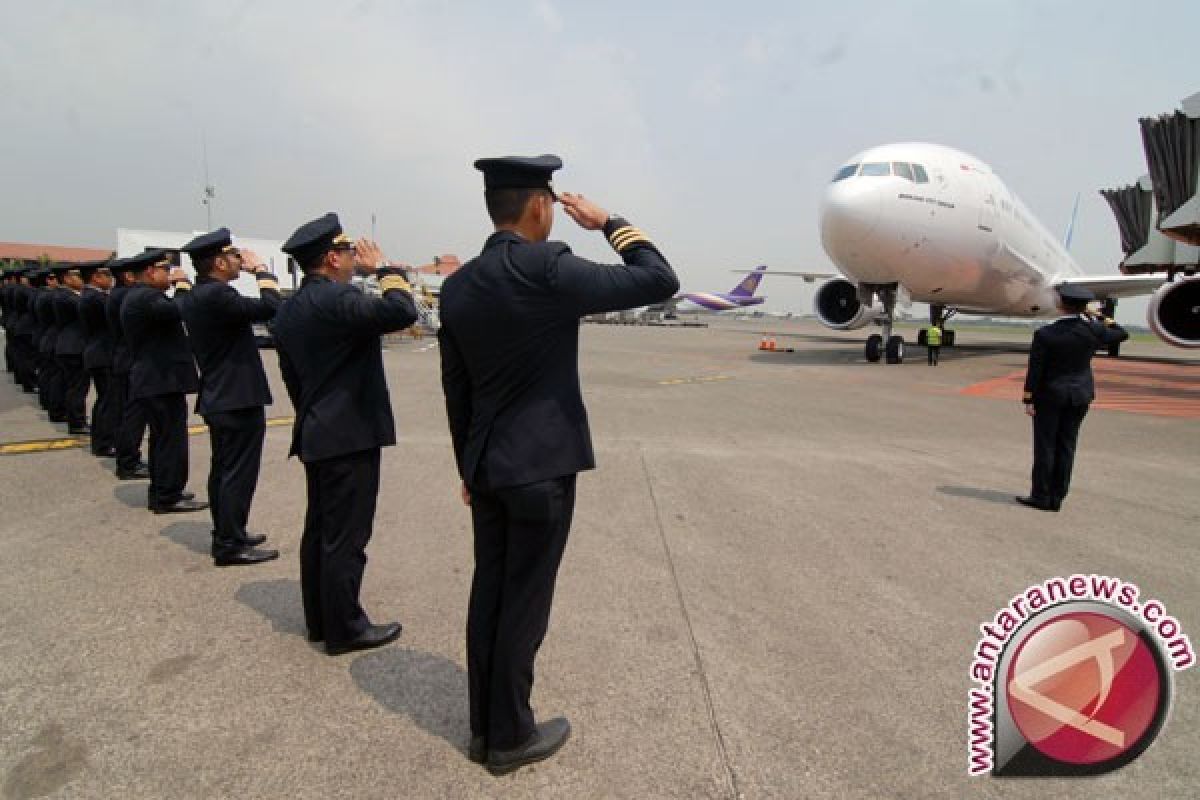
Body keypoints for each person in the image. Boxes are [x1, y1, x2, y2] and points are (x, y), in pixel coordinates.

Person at [438, 155, 679, 774]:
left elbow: (456, 388)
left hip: (488, 466)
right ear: (541, 205)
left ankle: (483, 728)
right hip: (541, 468)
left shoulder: (458, 287)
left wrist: (469, 466)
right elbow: (657, 278)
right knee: (525, 603)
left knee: (489, 593)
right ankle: (511, 736)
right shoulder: (548, 266)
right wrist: (609, 222)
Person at [272, 213, 417, 655]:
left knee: (319, 531)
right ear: (332, 258)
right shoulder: (335, 300)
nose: (356, 259)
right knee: (346, 538)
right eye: (350, 253)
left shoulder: (290, 309)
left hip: (318, 430)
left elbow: (293, 379)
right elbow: (401, 311)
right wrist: (386, 271)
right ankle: (345, 628)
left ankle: (320, 620)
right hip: (348, 436)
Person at [177, 228, 281, 567]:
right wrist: (263, 271)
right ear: (220, 262)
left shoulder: (196, 295)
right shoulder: (218, 296)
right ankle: (230, 543)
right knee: (237, 472)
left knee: (224, 469)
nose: (241, 262)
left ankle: (229, 531)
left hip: (221, 394)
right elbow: (270, 307)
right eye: (235, 256)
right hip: (235, 396)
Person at [1017, 285, 1128, 512]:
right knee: (1067, 446)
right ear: (1083, 307)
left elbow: (1035, 370)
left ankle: (1041, 495)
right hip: (1079, 396)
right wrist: (1099, 316)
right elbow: (1122, 333)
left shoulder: (1045, 334)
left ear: (1060, 305)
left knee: (1046, 446)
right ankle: (1057, 497)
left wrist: (1029, 398)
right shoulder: (1093, 331)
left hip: (1050, 395)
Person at [120, 249, 207, 514]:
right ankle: (168, 495)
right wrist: (182, 286)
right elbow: (177, 310)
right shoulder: (146, 297)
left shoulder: (139, 297)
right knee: (170, 439)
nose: (169, 275)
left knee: (162, 439)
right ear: (150, 272)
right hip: (160, 379)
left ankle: (163, 489)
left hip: (156, 379)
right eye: (165, 270)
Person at [107, 258, 151, 480]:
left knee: (128, 412)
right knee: (134, 415)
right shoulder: (127, 295)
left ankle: (127, 459)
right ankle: (128, 461)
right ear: (128, 276)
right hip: (129, 358)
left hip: (122, 356)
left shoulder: (117, 295)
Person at [79, 260, 118, 457]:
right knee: (108, 401)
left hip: (97, 352)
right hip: (103, 354)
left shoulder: (89, 296)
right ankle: (104, 442)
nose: (111, 280)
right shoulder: (96, 298)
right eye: (107, 275)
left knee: (104, 400)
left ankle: (102, 440)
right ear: (96, 277)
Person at [52, 263, 91, 434]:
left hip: (68, 345)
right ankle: (77, 421)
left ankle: (75, 417)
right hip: (73, 347)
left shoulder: (64, 295)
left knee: (73, 386)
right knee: (77, 387)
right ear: (67, 279)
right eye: (77, 276)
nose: (81, 280)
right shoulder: (67, 297)